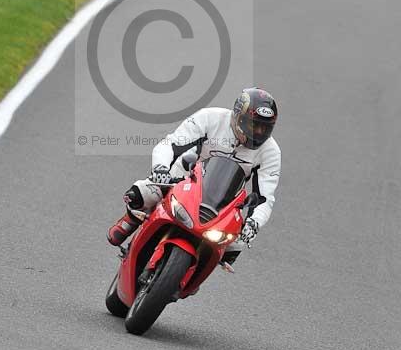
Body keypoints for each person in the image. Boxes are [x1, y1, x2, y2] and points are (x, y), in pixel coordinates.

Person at [107, 87, 281, 266]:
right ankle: (132, 218)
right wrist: (160, 168)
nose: (259, 133)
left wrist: (254, 223)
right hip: (186, 177)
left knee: (236, 245)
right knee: (146, 193)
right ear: (238, 116)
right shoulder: (209, 118)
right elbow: (170, 144)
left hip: (224, 201)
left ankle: (194, 270)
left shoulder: (270, 152)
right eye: (254, 125)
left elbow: (265, 197)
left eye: (265, 128)